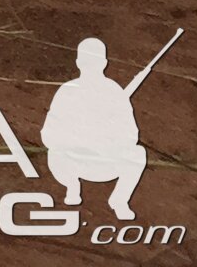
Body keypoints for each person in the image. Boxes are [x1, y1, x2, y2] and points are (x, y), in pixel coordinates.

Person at [41, 37, 149, 219]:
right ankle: (72, 186)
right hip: (73, 162)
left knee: (138, 153)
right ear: (104, 62)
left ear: (78, 62)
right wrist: (77, 138)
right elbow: (48, 136)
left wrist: (107, 138)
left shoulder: (114, 92)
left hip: (106, 163)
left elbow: (131, 135)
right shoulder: (68, 91)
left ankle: (119, 200)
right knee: (54, 152)